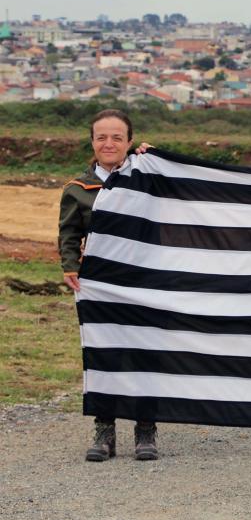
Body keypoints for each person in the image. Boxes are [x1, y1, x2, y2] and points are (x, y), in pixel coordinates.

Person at [58, 109, 159, 462]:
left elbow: (181, 199)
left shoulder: (147, 178)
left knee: (144, 353)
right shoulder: (78, 189)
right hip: (99, 285)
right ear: (92, 142)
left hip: (145, 283)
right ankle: (104, 432)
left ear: (130, 142)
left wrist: (156, 158)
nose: (109, 143)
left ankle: (146, 431)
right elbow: (69, 233)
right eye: (101, 137)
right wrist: (70, 265)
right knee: (103, 354)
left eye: (117, 137)